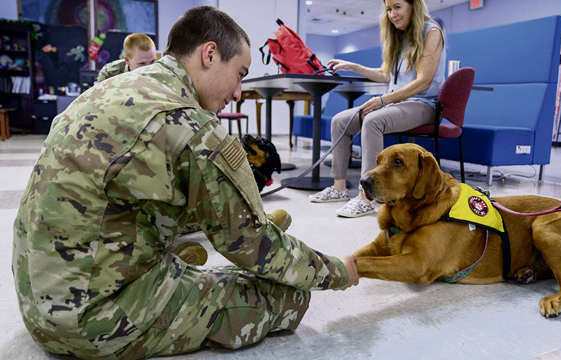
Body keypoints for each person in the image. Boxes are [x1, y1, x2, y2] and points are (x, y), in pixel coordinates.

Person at [12, 6, 358, 359]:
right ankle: (171, 271)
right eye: (239, 74)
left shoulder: (103, 90)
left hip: (36, 300)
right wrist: (339, 270)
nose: (238, 91)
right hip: (91, 323)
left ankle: (171, 262)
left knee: (176, 204)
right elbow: (252, 246)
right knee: (289, 295)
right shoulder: (191, 126)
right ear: (209, 54)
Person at [309, 0, 446, 218]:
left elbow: (424, 81)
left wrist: (383, 100)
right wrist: (353, 66)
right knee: (340, 120)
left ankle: (366, 197)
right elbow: (386, 75)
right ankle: (339, 187)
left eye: (398, 6)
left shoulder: (431, 32)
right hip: (398, 103)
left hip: (423, 104)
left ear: (414, 5)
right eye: (389, 9)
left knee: (373, 120)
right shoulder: (399, 36)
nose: (392, 14)